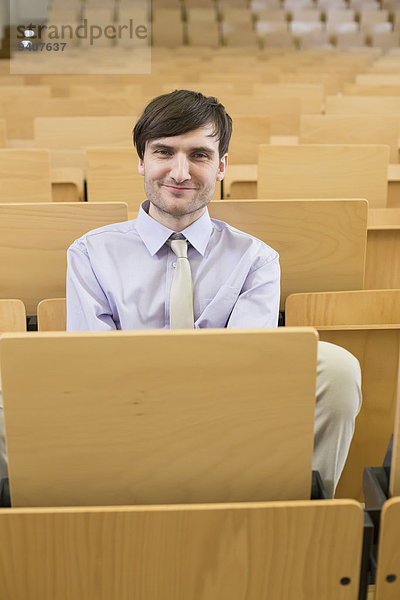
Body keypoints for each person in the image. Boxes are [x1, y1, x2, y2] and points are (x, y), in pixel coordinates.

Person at [64, 90, 361, 498]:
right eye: (164, 152)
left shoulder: (257, 259)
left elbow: (245, 375)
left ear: (221, 166)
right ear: (142, 161)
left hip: (229, 423)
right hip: (121, 420)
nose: (180, 172)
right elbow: (88, 370)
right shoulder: (89, 253)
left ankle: (302, 514)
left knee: (337, 367)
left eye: (199, 156)